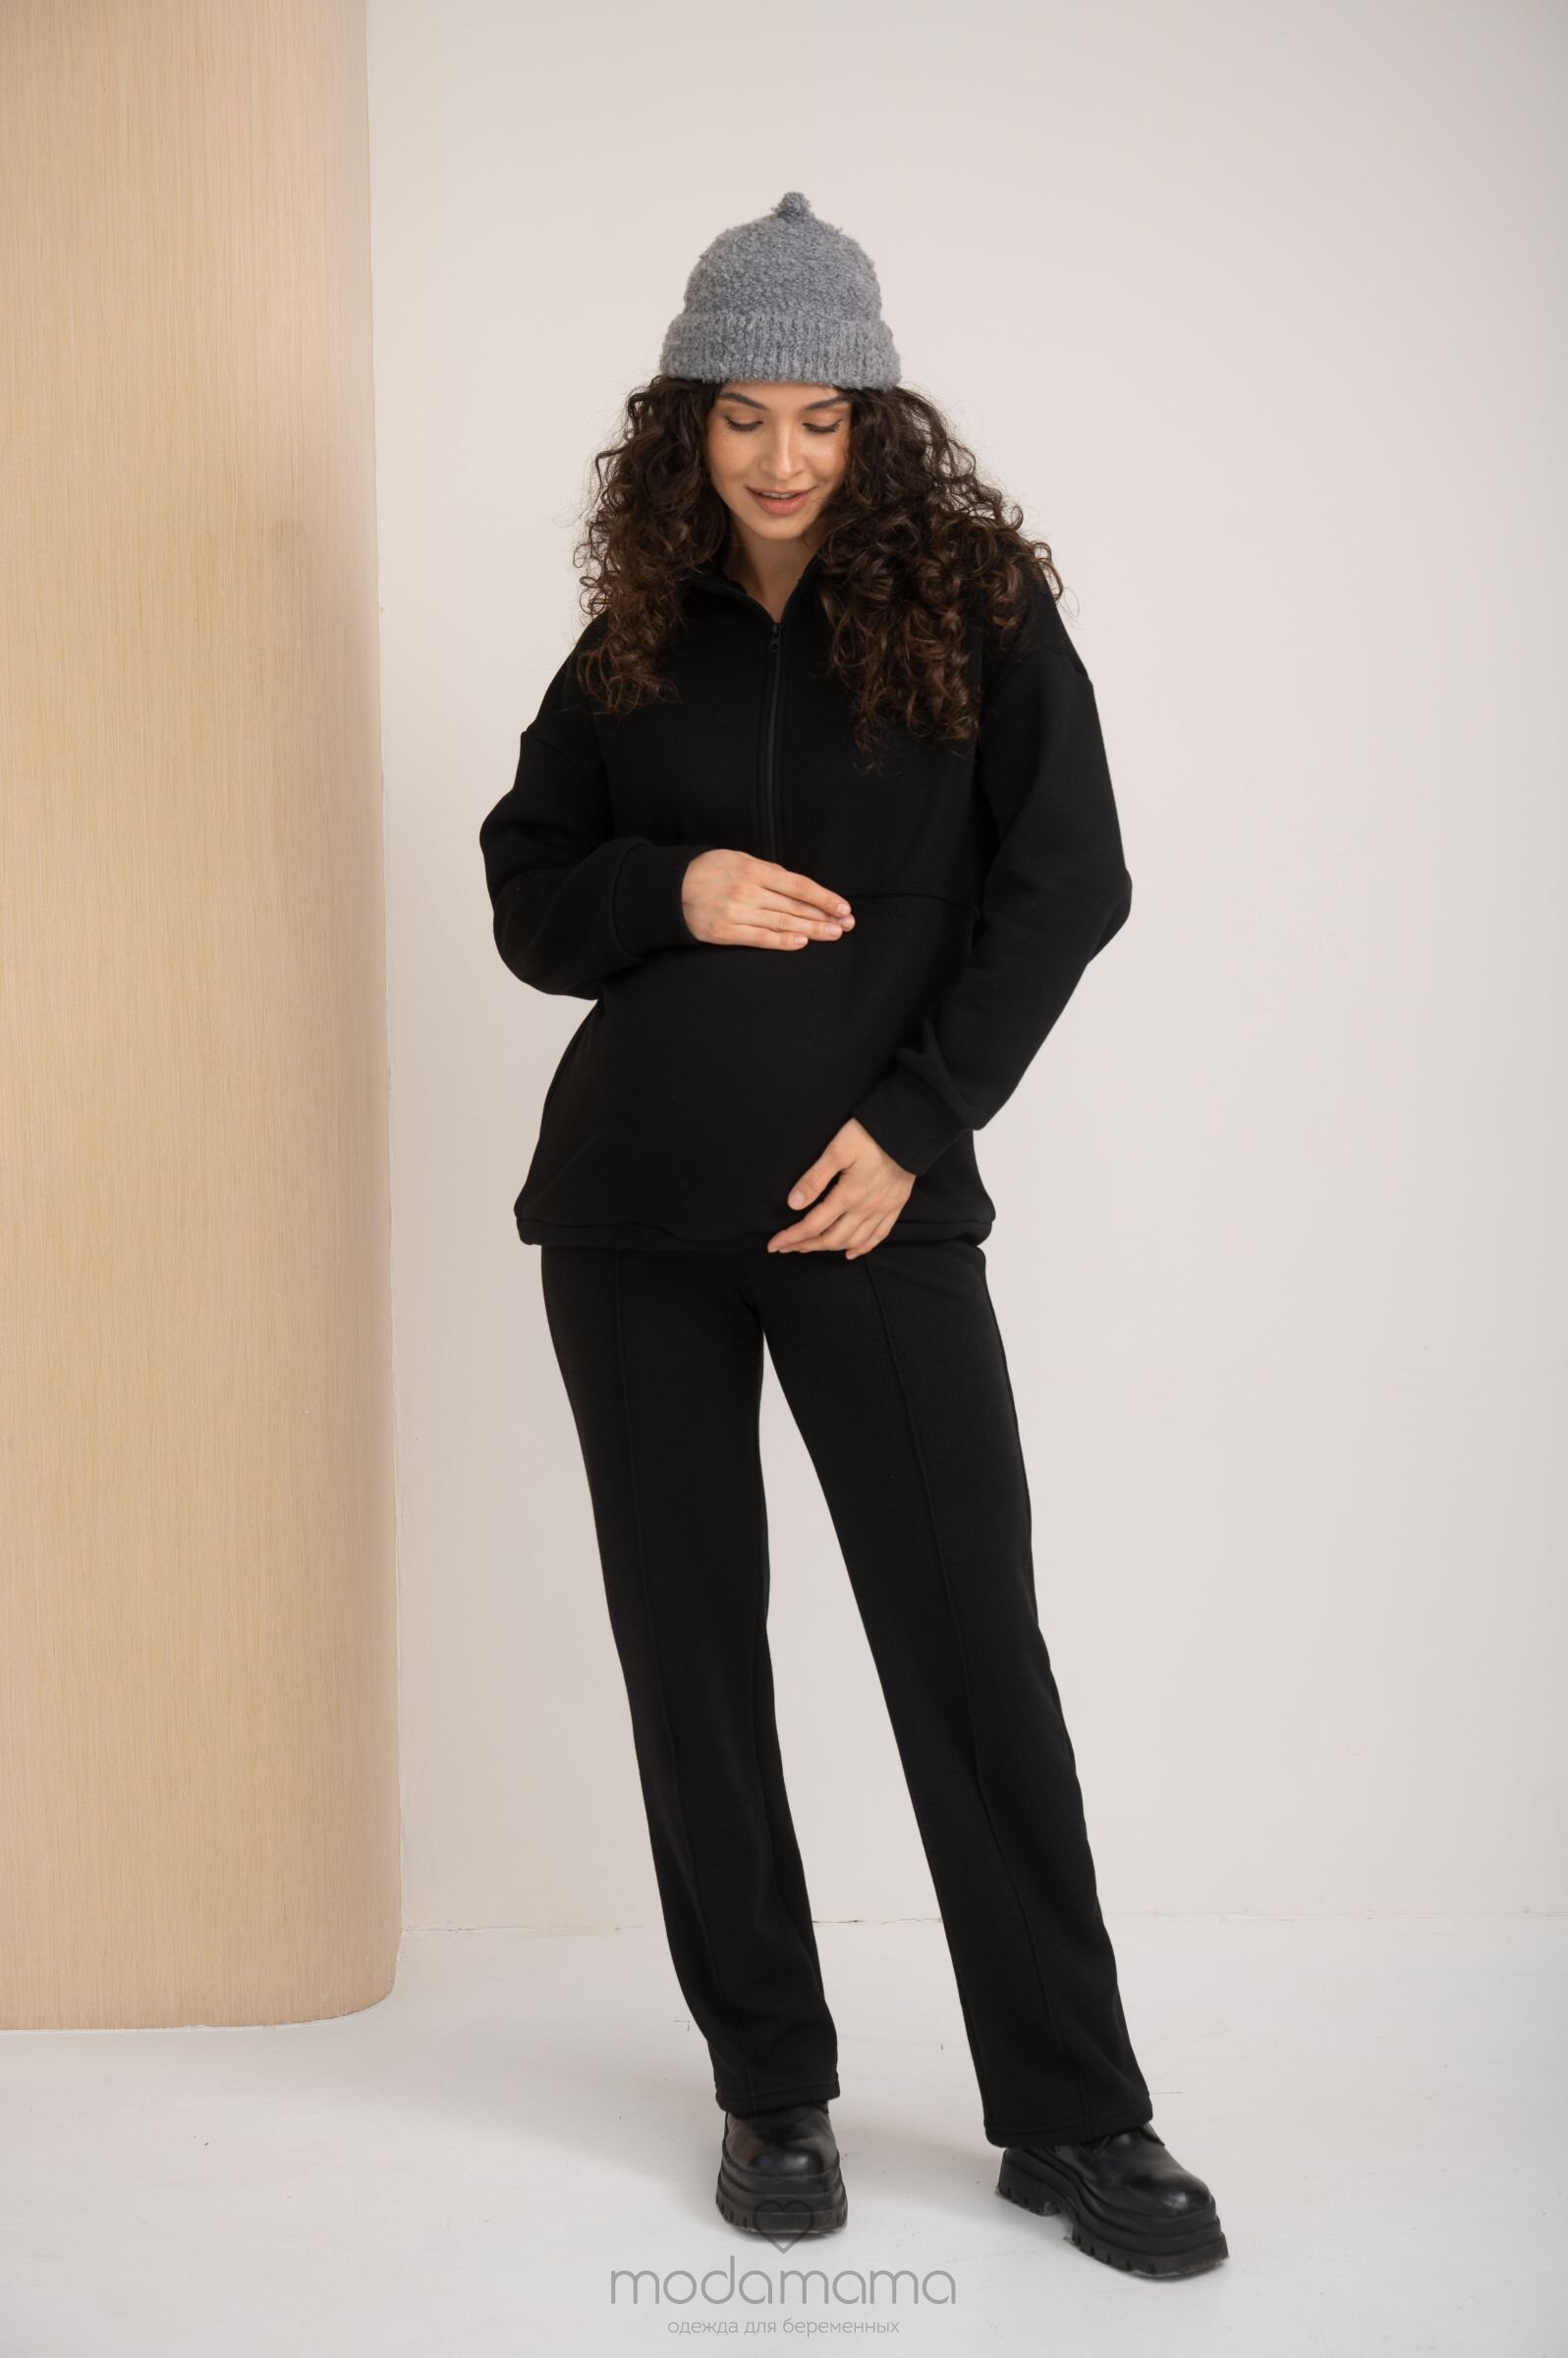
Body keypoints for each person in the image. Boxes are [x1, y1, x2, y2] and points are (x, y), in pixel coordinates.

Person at [478, 191, 1227, 2279]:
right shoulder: (638, 627)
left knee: (967, 1646)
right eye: (744, 415)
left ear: (876, 419)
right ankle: (770, 2084)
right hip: (632, 1215)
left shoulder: (978, 607)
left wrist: (916, 1122)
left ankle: (1074, 2114)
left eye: (821, 415)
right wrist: (672, 886)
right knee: (692, 1651)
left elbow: (1069, 881)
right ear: (686, 424)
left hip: (867, 1218)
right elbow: (529, 886)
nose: (783, 456)